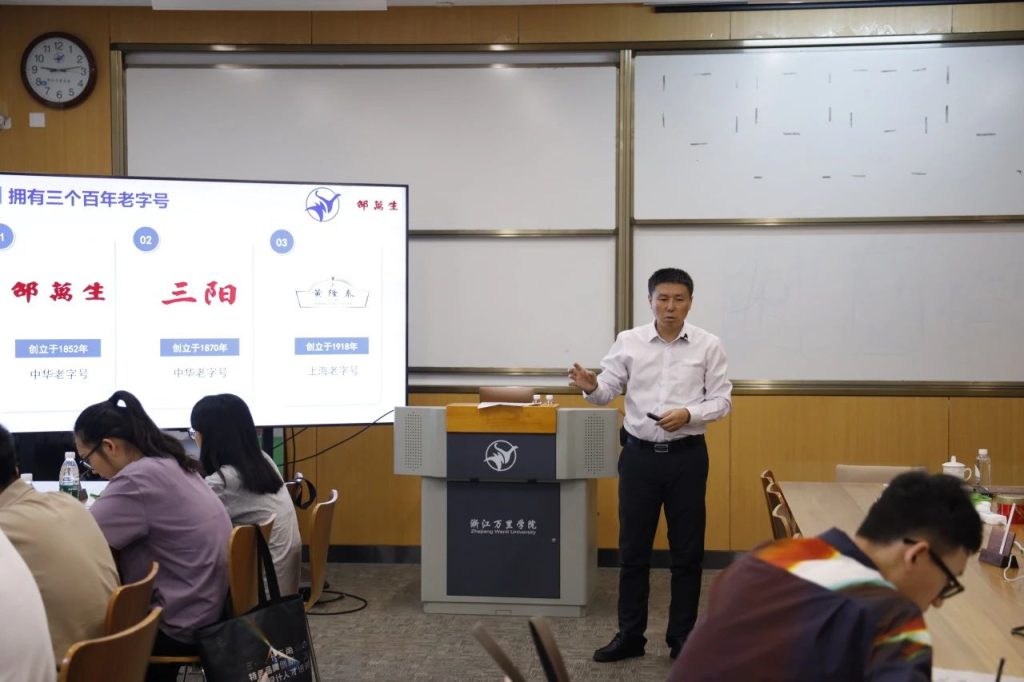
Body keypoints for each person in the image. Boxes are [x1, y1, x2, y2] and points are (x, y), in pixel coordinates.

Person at [668, 472, 983, 681]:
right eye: (948, 583)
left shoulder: (764, 558)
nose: (939, 602)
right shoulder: (892, 617)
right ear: (917, 554)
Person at [569, 267, 732, 662]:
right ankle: (630, 636)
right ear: (650, 301)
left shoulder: (708, 345)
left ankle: (682, 639)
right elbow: (607, 391)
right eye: (663, 298)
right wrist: (592, 386)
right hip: (639, 458)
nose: (670, 306)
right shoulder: (630, 341)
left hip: (687, 459)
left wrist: (689, 414)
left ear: (690, 303)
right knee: (633, 552)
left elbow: (722, 401)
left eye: (678, 299)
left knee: (687, 554)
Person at [75, 390, 232, 682]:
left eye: (87, 460)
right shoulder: (171, 462)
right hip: (209, 609)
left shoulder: (136, 479)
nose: (91, 470)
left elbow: (80, 540)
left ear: (109, 446)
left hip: (176, 623)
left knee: (72, 620)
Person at [0, 423, 119, 663]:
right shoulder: (68, 503)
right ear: (16, 468)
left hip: (63, 668)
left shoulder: (5, 529)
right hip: (110, 659)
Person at [190, 393, 302, 595]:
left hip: (261, 595)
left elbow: (187, 527)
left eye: (194, 432)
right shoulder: (263, 460)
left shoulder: (223, 483)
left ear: (207, 437)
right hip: (282, 590)